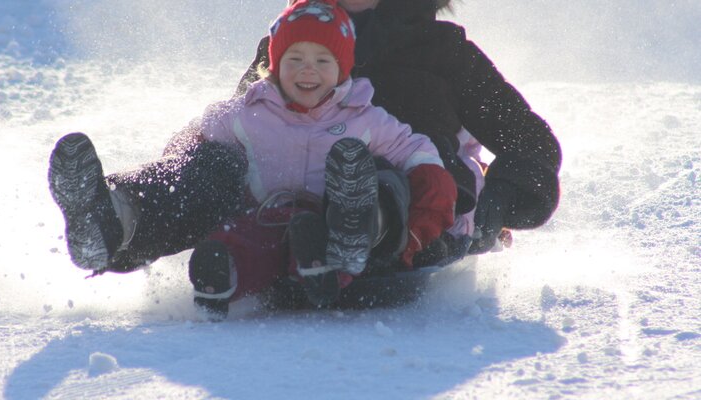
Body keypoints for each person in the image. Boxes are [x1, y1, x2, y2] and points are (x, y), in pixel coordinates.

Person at [48, 0, 457, 319]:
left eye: (322, 61)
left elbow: (415, 150)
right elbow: (197, 137)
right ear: (276, 66)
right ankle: (112, 216)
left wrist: (430, 183)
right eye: (294, 60)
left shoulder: (363, 117)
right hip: (263, 218)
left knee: (359, 187)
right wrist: (176, 168)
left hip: (330, 220)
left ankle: (348, 242)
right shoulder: (252, 110)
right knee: (233, 236)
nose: (307, 72)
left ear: (342, 68)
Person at [222, 0, 563, 265]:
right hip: (287, 210)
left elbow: (532, 143)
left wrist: (497, 202)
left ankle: (368, 228)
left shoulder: (443, 53)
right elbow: (239, 126)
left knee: (386, 177)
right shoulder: (288, 47)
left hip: (415, 224)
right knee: (218, 164)